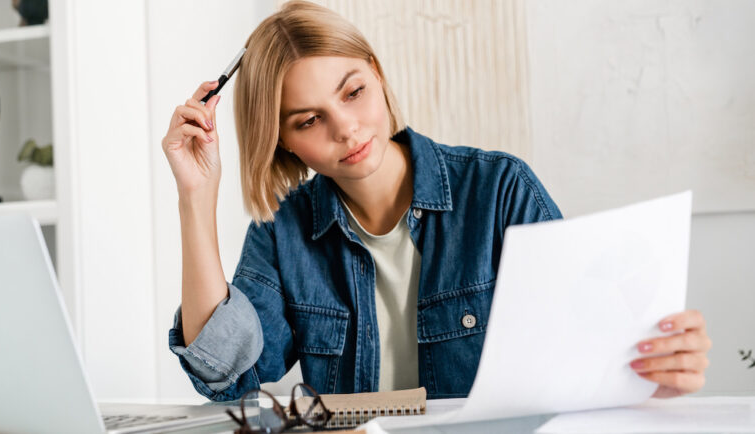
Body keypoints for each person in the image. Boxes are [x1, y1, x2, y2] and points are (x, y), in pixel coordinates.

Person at [161, 1, 711, 401]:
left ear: (377, 74)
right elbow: (230, 374)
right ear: (282, 139)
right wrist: (196, 198)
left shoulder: (500, 191)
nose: (347, 129)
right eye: (309, 120)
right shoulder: (282, 230)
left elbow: (583, 365)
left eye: (353, 92)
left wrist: (656, 375)